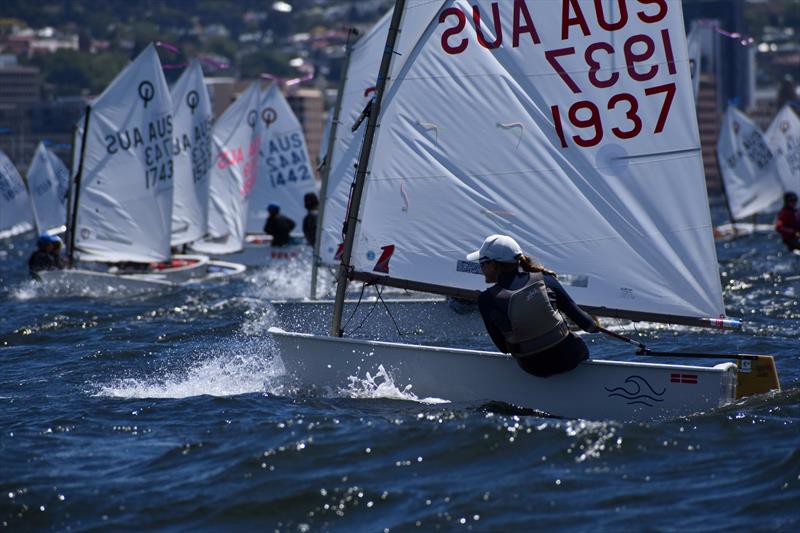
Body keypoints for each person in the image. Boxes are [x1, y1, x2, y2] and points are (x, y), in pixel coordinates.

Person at [467, 234, 597, 378]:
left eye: (482, 263)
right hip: (572, 357)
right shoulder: (545, 279)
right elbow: (587, 324)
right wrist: (593, 325)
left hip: (535, 368)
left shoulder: (486, 299)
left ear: (493, 265)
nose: (481, 268)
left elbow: (503, 348)